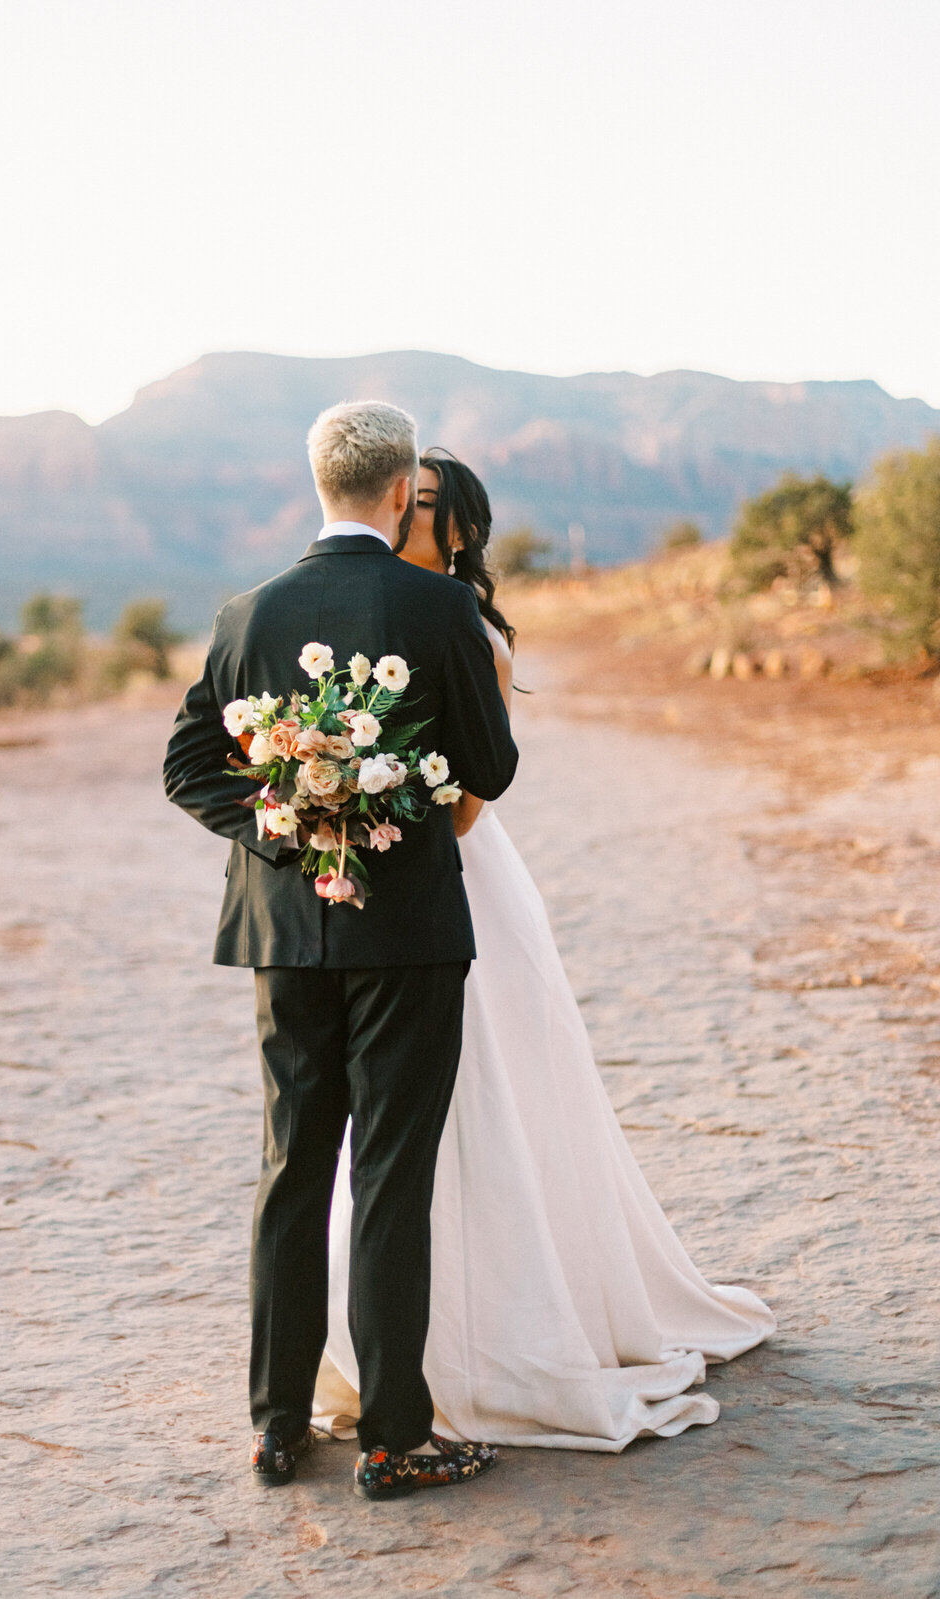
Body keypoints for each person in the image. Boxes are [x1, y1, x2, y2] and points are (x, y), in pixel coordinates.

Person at [312, 450, 776, 1451]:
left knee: (495, 1101)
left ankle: (509, 1334)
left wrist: (393, 809)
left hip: (463, 890)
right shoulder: (370, 619)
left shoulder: (472, 636)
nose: (404, 518)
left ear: (459, 530)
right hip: (381, 902)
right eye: (403, 501)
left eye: (425, 507)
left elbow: (472, 810)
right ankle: (396, 1349)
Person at [163, 403, 518, 1500]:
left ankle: (276, 1429)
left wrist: (283, 818)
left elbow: (188, 766)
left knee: (290, 1174)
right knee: (388, 1182)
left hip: (281, 932)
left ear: (317, 479)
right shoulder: (440, 605)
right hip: (406, 932)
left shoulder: (246, 613)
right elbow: (491, 768)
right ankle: (393, 1438)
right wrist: (387, 790)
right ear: (401, 482)